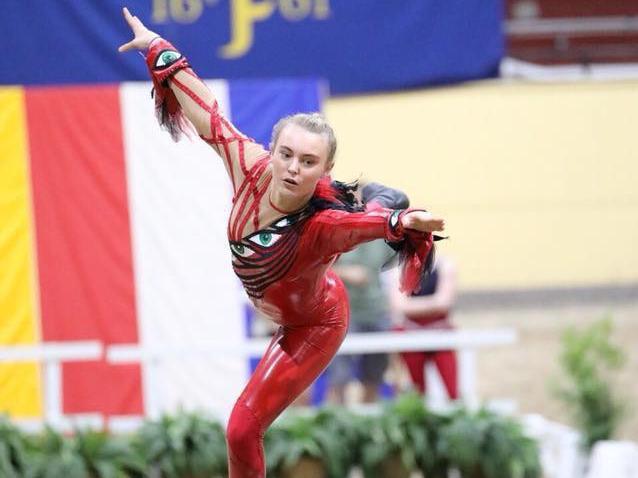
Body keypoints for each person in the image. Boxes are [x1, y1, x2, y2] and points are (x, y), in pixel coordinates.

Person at [119, 8, 445, 477]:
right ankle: (377, 195)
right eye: (286, 154)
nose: (293, 167)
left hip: (315, 322)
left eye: (308, 161)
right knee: (240, 430)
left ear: (322, 172)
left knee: (241, 429)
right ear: (270, 152)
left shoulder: (321, 225)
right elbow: (207, 112)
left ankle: (380, 197)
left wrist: (400, 220)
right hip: (280, 303)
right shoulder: (247, 166)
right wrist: (155, 46)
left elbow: (363, 230)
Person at [390, 255, 459, 400]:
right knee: (417, 391)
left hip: (441, 335)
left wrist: (411, 306)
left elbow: (445, 302)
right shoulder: (399, 268)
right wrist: (434, 304)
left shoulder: (445, 265)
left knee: (452, 390)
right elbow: (399, 306)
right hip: (411, 334)